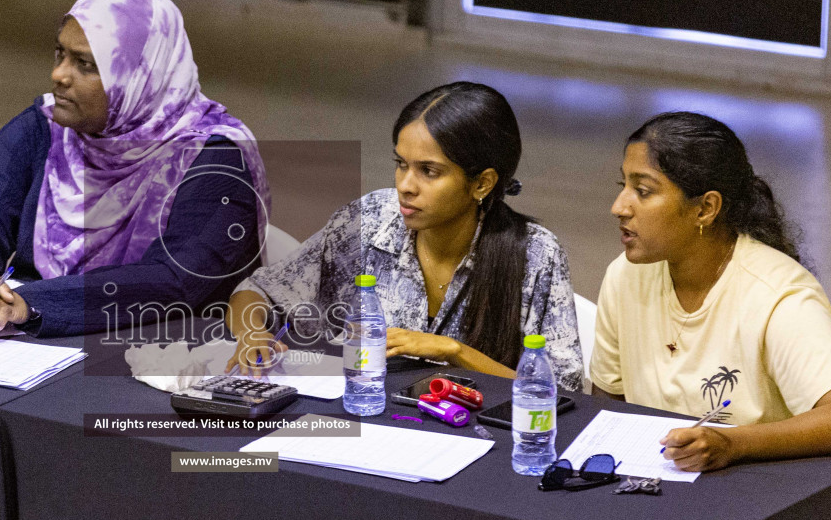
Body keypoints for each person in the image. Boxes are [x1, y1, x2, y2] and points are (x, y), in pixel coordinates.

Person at [0, 0, 270, 338]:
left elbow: (173, 282)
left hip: (164, 348)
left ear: (139, 77)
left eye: (85, 64)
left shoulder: (213, 156)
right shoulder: (46, 127)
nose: (59, 75)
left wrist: (31, 303)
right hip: (36, 343)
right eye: (60, 55)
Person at [227, 81, 583, 389]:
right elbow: (258, 292)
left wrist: (454, 351)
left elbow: (562, 393)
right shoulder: (369, 220)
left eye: (429, 171)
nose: (405, 186)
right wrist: (251, 334)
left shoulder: (535, 254)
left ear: (482, 183)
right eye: (401, 164)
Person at [592, 111, 831, 471]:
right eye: (622, 186)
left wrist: (732, 443)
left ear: (705, 208)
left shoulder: (777, 295)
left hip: (758, 493)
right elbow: (608, 402)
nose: (619, 207)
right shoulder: (624, 277)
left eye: (643, 191)